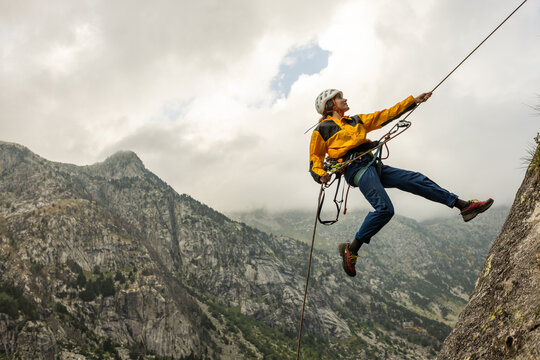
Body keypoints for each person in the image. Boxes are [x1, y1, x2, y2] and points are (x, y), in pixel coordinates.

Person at [309, 89, 493, 277]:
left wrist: (413, 101)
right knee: (385, 209)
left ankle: (463, 206)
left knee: (415, 179)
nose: (344, 99)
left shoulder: (356, 120)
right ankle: (352, 248)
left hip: (371, 164)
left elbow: (385, 115)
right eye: (339, 98)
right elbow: (315, 158)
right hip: (355, 169)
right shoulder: (322, 130)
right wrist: (320, 174)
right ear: (330, 105)